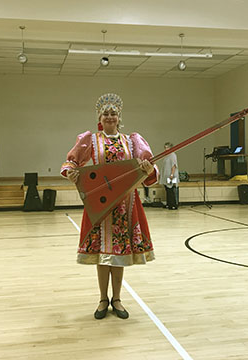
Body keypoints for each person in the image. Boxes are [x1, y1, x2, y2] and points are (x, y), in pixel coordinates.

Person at [60, 93, 158, 320]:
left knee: (120, 253)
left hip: (125, 202)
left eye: (114, 113)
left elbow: (149, 169)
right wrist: (72, 174)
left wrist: (147, 168)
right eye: (106, 114)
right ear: (100, 118)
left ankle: (117, 299)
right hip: (101, 203)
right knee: (103, 254)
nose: (110, 117)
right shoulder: (90, 140)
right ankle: (103, 299)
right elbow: (70, 162)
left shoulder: (132, 141)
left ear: (119, 117)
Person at [160, 142, 179, 210]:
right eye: (165, 147)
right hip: (166, 175)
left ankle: (173, 204)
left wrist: (171, 174)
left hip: (171, 176)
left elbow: (173, 165)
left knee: (171, 189)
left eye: (167, 147)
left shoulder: (172, 155)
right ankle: (168, 203)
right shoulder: (166, 155)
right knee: (167, 189)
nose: (166, 149)